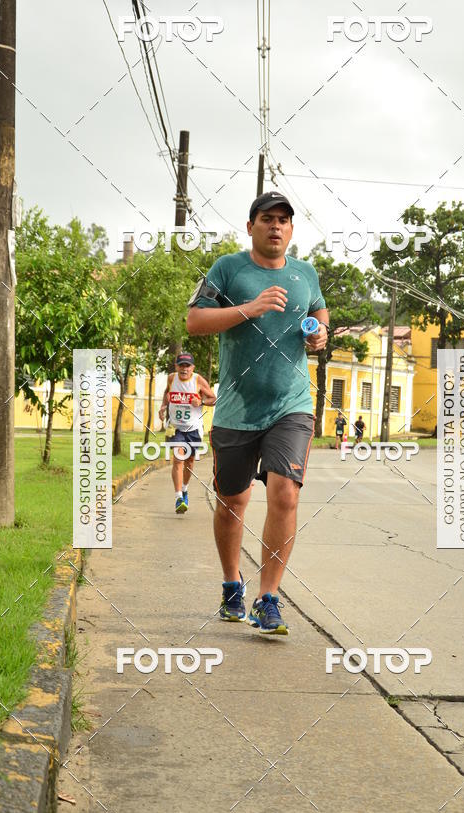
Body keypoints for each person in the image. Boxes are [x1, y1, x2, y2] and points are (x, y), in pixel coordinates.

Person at [186, 191, 329, 636]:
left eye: (284, 220)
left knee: (285, 493)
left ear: (291, 229)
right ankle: (232, 584)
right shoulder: (227, 269)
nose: (276, 226)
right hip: (237, 408)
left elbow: (319, 310)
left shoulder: (305, 274)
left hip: (292, 405)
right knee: (233, 501)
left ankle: (268, 598)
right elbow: (195, 321)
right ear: (251, 227)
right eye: (267, 219)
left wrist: (321, 333)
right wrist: (250, 308)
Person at [158, 352, 216, 514]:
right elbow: (167, 393)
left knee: (189, 462)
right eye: (181, 365)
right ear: (176, 367)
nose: (184, 369)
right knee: (178, 459)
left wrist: (201, 401)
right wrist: (163, 406)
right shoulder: (171, 378)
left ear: (192, 368)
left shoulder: (198, 380)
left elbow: (213, 399)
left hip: (193, 429)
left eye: (187, 366)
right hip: (176, 428)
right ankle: (178, 498)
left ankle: (184, 490)